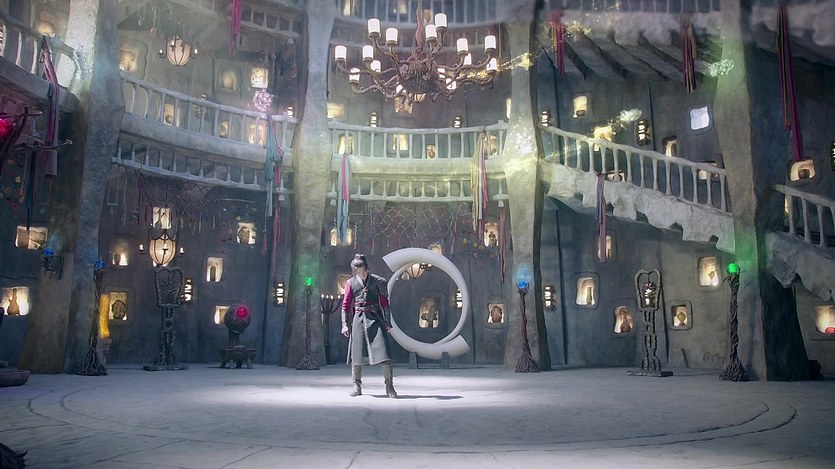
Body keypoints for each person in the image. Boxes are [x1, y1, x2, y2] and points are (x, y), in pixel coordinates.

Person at [341, 254, 397, 398]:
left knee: (385, 354)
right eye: (358, 271)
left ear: (367, 268)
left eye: (363, 270)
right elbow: (346, 305)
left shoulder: (378, 281)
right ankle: (356, 386)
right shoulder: (351, 283)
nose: (362, 274)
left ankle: (389, 387)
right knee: (357, 355)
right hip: (359, 319)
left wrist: (387, 322)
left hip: (375, 318)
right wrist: (345, 325)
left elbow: (385, 303)